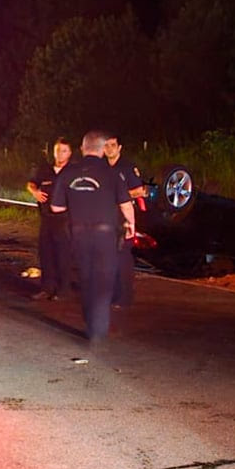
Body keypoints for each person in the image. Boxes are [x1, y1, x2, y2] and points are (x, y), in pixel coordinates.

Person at [49, 130, 136, 346]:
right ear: (103, 148)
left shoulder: (68, 173)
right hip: (106, 235)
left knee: (86, 279)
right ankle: (99, 329)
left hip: (79, 234)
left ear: (82, 148)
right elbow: (126, 204)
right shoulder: (112, 173)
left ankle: (91, 325)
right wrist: (131, 224)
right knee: (104, 281)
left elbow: (55, 207)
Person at [26, 137, 74, 301]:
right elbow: (31, 183)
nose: (60, 154)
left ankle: (63, 290)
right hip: (46, 218)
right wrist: (35, 192)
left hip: (65, 220)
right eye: (58, 150)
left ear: (70, 153)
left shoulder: (73, 172)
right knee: (46, 253)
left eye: (64, 150)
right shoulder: (44, 170)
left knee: (63, 255)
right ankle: (47, 288)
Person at [102, 133, 146, 308]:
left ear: (119, 147)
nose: (109, 148)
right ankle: (112, 295)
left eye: (113, 145)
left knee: (123, 258)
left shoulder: (127, 167)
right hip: (106, 217)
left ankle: (125, 297)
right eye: (106, 146)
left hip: (124, 217)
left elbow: (140, 190)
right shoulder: (102, 167)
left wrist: (120, 196)